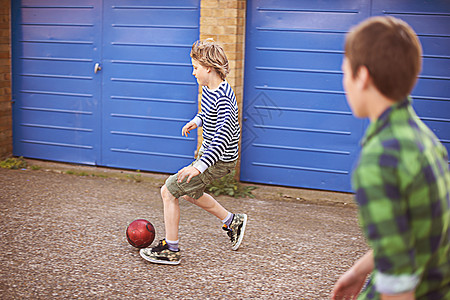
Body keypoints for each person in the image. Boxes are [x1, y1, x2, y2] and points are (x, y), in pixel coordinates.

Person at [331, 16, 450, 299]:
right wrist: (359, 270)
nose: (344, 82)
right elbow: (415, 228)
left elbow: (399, 283)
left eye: (345, 72)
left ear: (362, 77)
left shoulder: (379, 161)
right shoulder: (423, 138)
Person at [140, 39, 247, 265]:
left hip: (218, 159)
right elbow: (207, 112)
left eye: (195, 67)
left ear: (208, 67)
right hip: (210, 154)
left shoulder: (226, 100)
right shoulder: (210, 88)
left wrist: (198, 166)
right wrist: (196, 121)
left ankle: (171, 249)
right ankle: (232, 221)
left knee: (168, 191)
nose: (193, 73)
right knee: (190, 193)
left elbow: (221, 139)